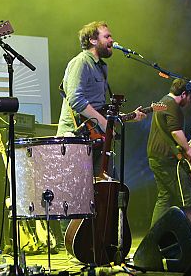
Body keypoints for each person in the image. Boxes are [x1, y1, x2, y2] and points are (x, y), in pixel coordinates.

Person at [56, 21, 146, 176]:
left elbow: (99, 109)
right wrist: (104, 123)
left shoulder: (101, 67)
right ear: (93, 40)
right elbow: (76, 100)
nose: (112, 40)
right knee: (82, 192)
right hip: (76, 138)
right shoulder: (81, 62)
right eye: (107, 36)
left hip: (96, 139)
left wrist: (129, 117)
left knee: (106, 189)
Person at [147, 78, 191, 227]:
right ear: (183, 94)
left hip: (156, 156)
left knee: (165, 197)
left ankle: (153, 236)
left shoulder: (162, 103)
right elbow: (175, 132)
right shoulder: (172, 105)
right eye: (189, 98)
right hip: (166, 159)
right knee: (189, 197)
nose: (189, 102)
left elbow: (166, 130)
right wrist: (188, 149)